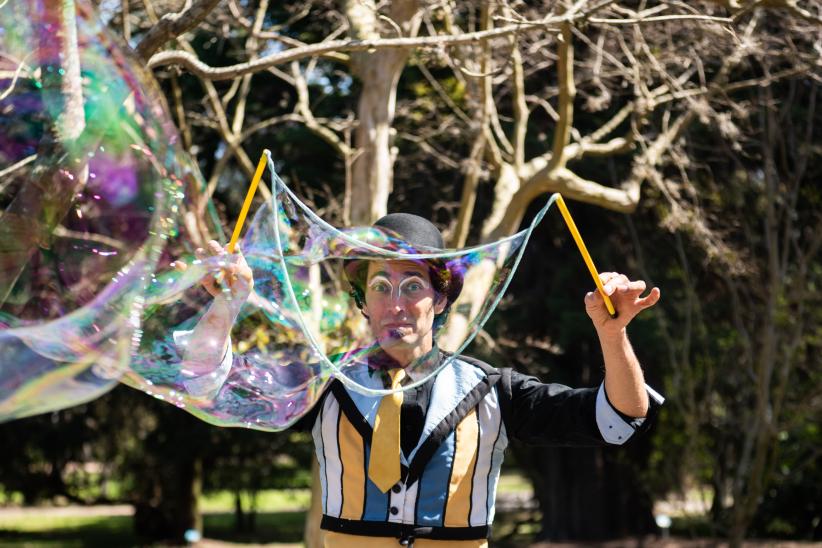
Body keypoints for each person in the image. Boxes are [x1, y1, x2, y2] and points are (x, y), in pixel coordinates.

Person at [179, 213, 664, 547]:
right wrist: (227, 303)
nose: (396, 302)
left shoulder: (491, 389)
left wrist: (612, 333)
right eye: (380, 286)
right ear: (363, 303)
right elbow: (206, 383)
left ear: (440, 299)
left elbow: (619, 419)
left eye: (413, 286)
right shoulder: (324, 382)